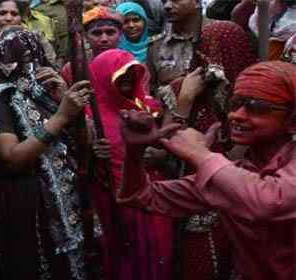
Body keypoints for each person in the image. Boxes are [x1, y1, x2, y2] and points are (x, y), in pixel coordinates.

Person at [117, 60, 296, 280]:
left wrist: (200, 154)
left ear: (293, 120)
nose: (236, 115)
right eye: (235, 103)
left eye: (257, 107)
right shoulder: (235, 173)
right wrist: (135, 152)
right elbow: (140, 197)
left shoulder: (226, 171)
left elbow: (268, 201)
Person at [0, 25, 94, 280]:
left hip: (64, 206)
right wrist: (62, 115)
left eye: (31, 55)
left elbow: (82, 145)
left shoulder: (41, 91)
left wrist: (61, 97)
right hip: (27, 207)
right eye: (16, 56)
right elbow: (12, 157)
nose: (27, 64)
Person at [88, 49, 173, 280]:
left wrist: (160, 154)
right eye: (118, 74)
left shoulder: (148, 108)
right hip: (112, 200)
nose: (126, 79)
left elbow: (168, 146)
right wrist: (93, 154)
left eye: (131, 72)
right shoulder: (87, 116)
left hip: (151, 198)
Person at [61, 6, 123, 84]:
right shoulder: (72, 69)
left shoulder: (130, 65)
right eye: (97, 33)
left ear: (120, 34)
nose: (104, 39)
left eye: (110, 32)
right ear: (86, 36)